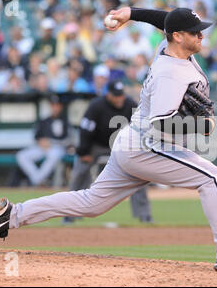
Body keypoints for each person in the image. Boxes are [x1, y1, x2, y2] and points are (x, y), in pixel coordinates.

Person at [0, 7, 217, 276]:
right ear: (178, 37)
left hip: (130, 142)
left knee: (90, 203)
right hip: (149, 146)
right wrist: (201, 125)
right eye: (195, 31)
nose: (201, 34)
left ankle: (12, 214)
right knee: (211, 176)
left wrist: (131, 13)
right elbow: (161, 122)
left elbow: (164, 21)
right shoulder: (171, 74)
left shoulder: (169, 47)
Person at [64, 80, 153, 224]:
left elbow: (141, 129)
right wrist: (84, 152)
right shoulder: (96, 106)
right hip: (97, 145)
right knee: (79, 172)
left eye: (121, 95)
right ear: (108, 95)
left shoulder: (130, 104)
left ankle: (145, 215)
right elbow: (85, 130)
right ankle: (70, 215)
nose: (119, 99)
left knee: (139, 173)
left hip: (121, 145)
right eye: (116, 95)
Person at [15, 95, 69, 186]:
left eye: (57, 105)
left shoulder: (65, 121)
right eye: (53, 105)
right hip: (41, 147)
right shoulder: (44, 120)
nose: (55, 108)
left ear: (61, 107)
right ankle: (39, 180)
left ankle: (37, 181)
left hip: (57, 148)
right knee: (21, 156)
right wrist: (41, 141)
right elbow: (36, 136)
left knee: (53, 155)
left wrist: (51, 142)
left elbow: (68, 139)